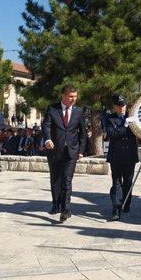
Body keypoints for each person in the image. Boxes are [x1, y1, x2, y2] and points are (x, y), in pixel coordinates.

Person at [41, 84, 86, 222]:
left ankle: (66, 209)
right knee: (55, 178)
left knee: (67, 179)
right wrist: (48, 139)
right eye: (71, 96)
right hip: (54, 150)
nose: (74, 99)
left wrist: (81, 151)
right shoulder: (52, 109)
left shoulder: (78, 111)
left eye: (75, 96)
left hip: (71, 151)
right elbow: (46, 125)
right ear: (64, 96)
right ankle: (56, 204)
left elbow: (83, 133)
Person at [105, 94, 139, 221]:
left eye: (123, 105)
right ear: (114, 107)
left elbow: (140, 132)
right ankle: (116, 208)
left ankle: (126, 204)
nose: (122, 108)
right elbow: (112, 133)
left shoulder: (131, 118)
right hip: (116, 156)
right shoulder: (110, 119)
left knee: (128, 182)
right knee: (117, 182)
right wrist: (124, 125)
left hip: (130, 155)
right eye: (119, 106)